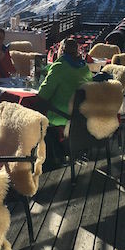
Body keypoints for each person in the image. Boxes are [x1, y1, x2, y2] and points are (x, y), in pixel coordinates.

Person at [37, 38, 93, 169]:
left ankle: (44, 153)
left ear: (61, 51)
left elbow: (43, 94)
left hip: (62, 115)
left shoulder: (59, 67)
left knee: (37, 107)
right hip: (81, 115)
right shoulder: (84, 66)